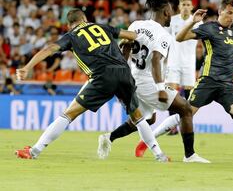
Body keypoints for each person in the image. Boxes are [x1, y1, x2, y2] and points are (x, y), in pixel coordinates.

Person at [135, 0, 233, 159]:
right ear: (220, 11)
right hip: (208, 81)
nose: (232, 17)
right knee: (184, 116)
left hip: (227, 85)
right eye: (229, 13)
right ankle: (147, 140)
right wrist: (193, 21)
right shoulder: (209, 28)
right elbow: (179, 38)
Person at [14, 8, 169, 162]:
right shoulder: (102, 27)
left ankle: (34, 151)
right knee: (138, 118)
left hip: (102, 76)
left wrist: (27, 67)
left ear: (70, 25)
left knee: (69, 114)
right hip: (124, 72)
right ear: (85, 18)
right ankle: (159, 155)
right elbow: (133, 36)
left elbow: (50, 49)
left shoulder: (72, 36)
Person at [97, 0, 209, 163]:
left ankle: (108, 137)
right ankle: (190, 155)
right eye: (170, 11)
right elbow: (156, 59)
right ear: (165, 12)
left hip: (133, 77)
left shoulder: (136, 24)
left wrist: (121, 76)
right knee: (185, 109)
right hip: (148, 81)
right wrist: (160, 88)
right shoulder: (163, 34)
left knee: (148, 119)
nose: (171, 15)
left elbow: (125, 48)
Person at [165, 0, 200, 135]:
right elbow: (165, 41)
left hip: (189, 64)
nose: (185, 7)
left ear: (192, 7)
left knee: (189, 97)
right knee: (171, 94)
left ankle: (186, 124)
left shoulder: (197, 22)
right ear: (179, 7)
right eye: (183, 4)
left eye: (188, 5)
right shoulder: (172, 21)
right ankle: (171, 127)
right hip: (173, 62)